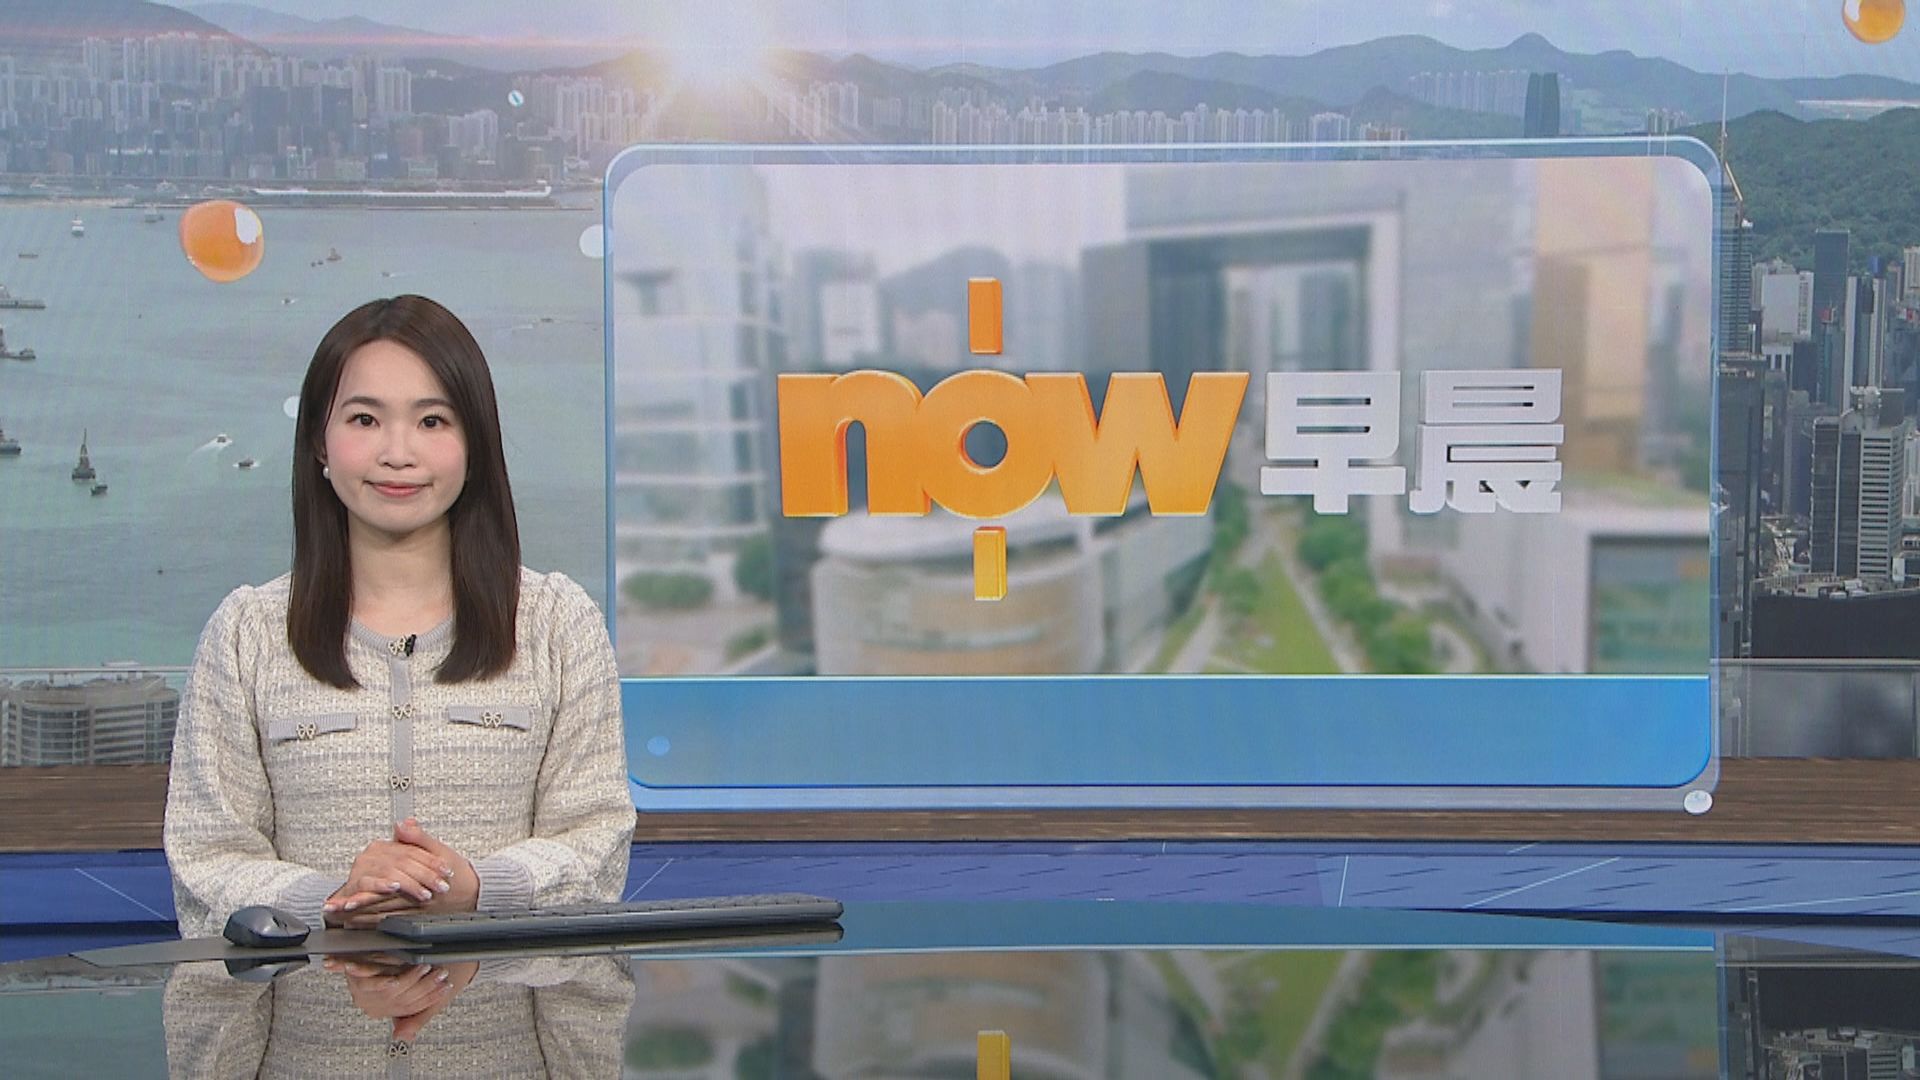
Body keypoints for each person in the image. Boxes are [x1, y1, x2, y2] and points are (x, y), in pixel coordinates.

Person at [164, 294, 636, 941]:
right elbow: (206, 862)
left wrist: (474, 890)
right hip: (307, 1003)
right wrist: (333, 900)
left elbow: (596, 847)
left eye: (432, 421)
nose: (397, 452)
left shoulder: (558, 624)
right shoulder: (246, 634)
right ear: (319, 443)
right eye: (364, 419)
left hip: (511, 1003)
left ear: (474, 443)